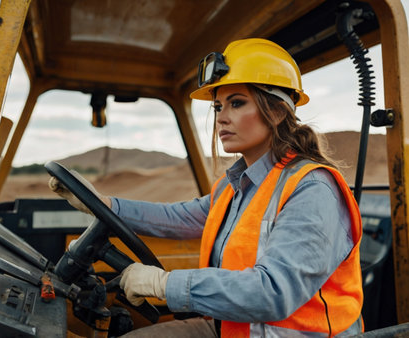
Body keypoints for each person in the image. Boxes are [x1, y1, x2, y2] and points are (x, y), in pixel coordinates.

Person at [50, 38, 363, 337]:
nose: (222, 118)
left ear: (278, 111)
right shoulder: (237, 187)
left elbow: (273, 292)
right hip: (232, 329)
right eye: (218, 107)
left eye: (236, 103)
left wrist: (164, 285)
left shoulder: (312, 189)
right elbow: (178, 218)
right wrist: (101, 203)